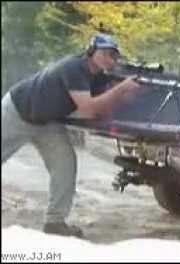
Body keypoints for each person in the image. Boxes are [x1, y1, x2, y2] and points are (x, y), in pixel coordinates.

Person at [1, 33, 143, 238]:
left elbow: (105, 104)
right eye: (105, 53)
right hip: (17, 110)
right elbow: (89, 109)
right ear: (92, 51)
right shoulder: (74, 67)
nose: (109, 59)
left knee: (65, 165)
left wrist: (131, 91)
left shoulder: (97, 77)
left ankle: (55, 222)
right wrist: (122, 88)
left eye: (113, 55)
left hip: (48, 122)